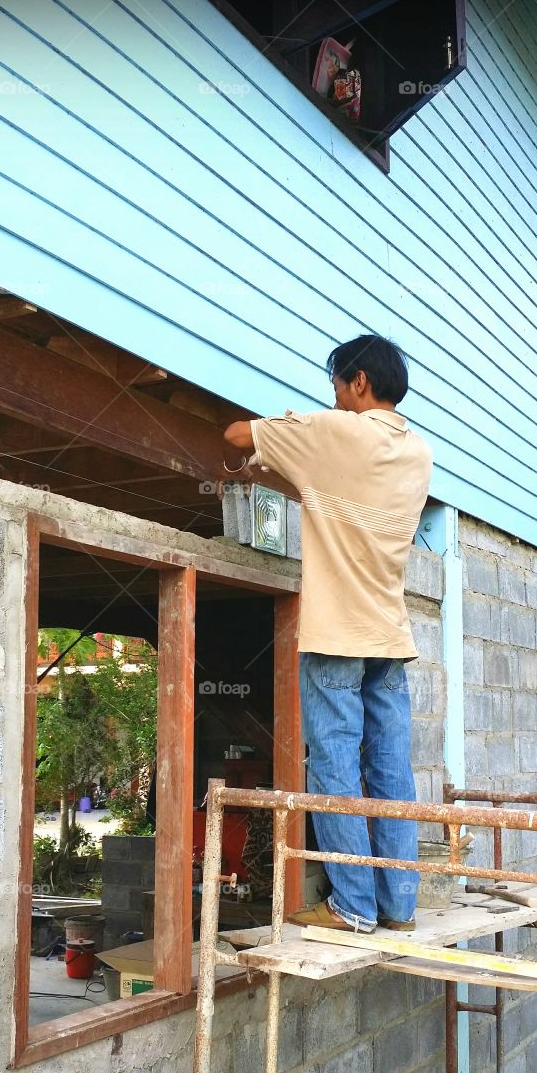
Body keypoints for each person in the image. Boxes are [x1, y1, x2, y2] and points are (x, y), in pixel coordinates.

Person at [223, 333, 432, 933]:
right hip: (388, 639)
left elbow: (237, 434)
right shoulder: (418, 453)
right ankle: (397, 907)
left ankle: (353, 907)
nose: (335, 396)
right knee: (391, 772)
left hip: (336, 635)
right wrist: (297, 465)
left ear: (359, 381)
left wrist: (283, 432)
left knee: (334, 768)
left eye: (337, 384)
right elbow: (331, 493)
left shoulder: (333, 431)